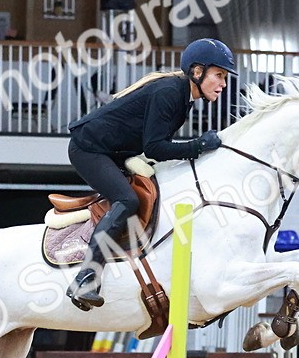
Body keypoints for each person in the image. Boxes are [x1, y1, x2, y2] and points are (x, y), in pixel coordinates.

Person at [64, 38, 236, 310]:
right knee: (128, 200)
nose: (223, 84)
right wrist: (199, 146)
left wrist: (196, 147)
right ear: (197, 71)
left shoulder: (181, 95)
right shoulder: (169, 92)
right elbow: (155, 147)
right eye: (219, 75)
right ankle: (86, 277)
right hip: (89, 149)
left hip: (115, 152)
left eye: (224, 77)